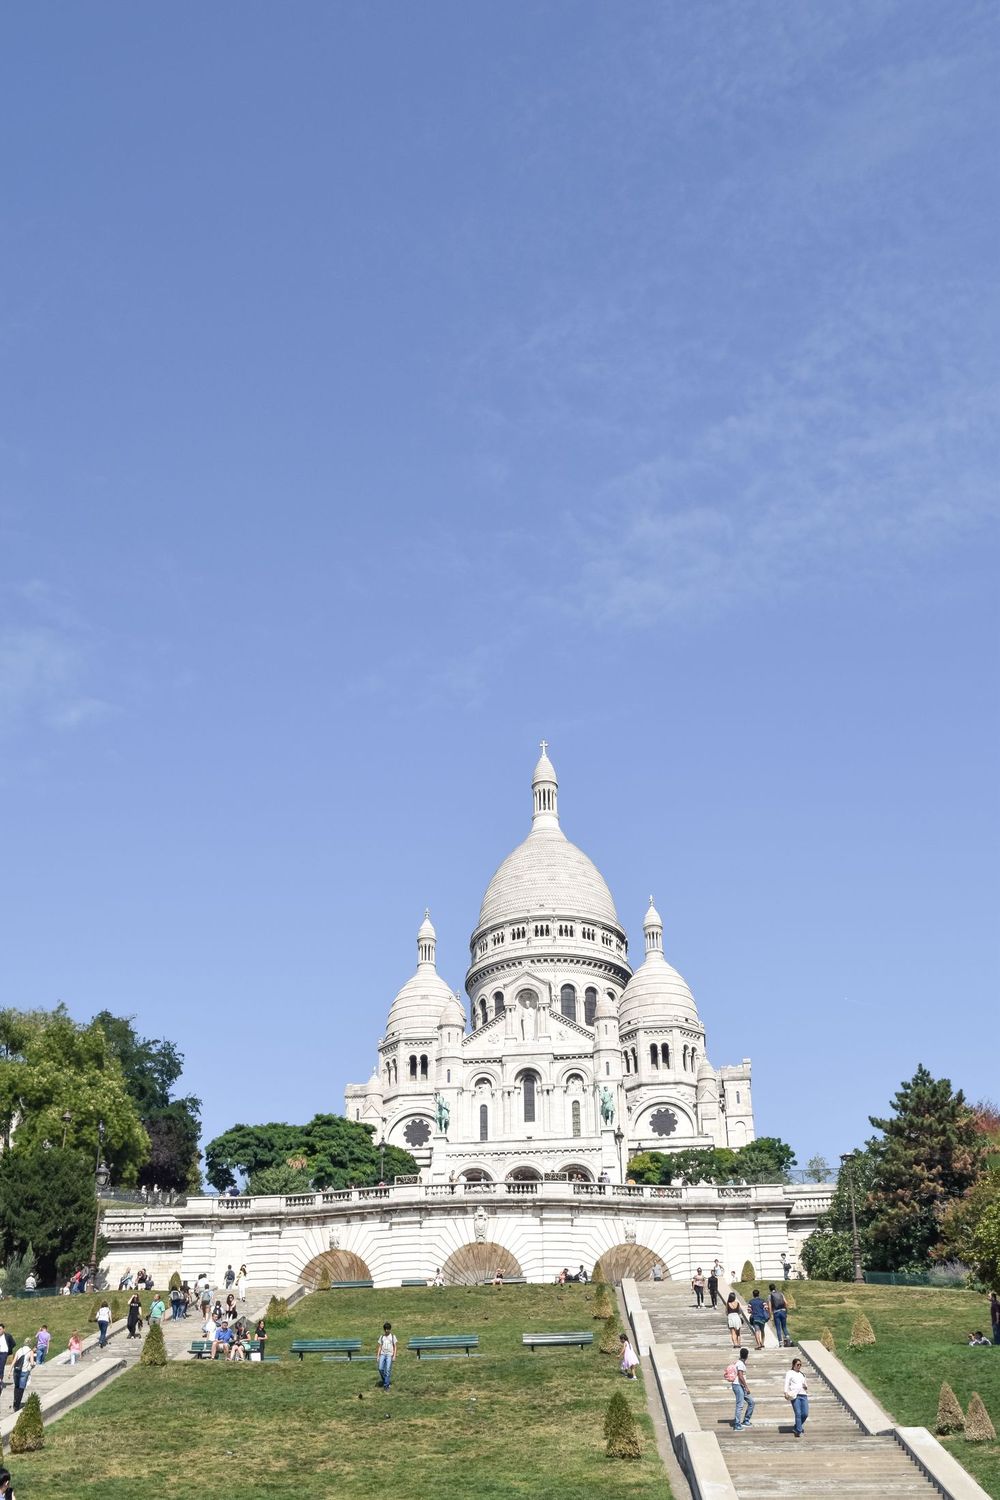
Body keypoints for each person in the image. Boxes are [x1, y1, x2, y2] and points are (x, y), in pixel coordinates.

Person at [728, 1346, 754, 1431]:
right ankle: (737, 1425)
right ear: (747, 1356)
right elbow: (740, 1376)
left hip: (740, 1386)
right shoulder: (740, 1364)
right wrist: (746, 1387)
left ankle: (746, 1420)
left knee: (751, 1402)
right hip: (738, 1385)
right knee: (740, 1405)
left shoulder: (739, 1363)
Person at [784, 1357, 809, 1437]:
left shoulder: (802, 1374)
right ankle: (799, 1431)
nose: (799, 1366)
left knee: (805, 1414)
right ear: (793, 1365)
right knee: (798, 1413)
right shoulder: (790, 1373)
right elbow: (786, 1382)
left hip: (803, 1395)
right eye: (798, 1364)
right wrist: (785, 1392)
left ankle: (796, 1427)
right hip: (795, 1395)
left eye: (800, 1365)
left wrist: (805, 1386)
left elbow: (806, 1386)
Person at [11, 1340, 33, 1411]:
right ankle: (17, 1405)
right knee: (21, 1388)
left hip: (16, 1371)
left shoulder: (19, 1350)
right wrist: (30, 1366)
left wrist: (9, 1371)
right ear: (30, 1344)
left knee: (16, 1387)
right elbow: (32, 1363)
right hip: (24, 1371)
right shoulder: (30, 1351)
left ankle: (15, 1401)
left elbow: (14, 1361)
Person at [376, 1321, 397, 1390]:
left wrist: (394, 1356)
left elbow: (395, 1347)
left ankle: (386, 1386)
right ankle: (385, 1380)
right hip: (382, 1354)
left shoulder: (393, 1336)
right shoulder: (382, 1337)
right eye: (385, 1329)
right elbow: (380, 1346)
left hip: (389, 1355)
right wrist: (378, 1356)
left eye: (387, 1329)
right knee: (380, 1368)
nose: (386, 1330)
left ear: (390, 1329)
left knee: (387, 1370)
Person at [0, 1324, 13, 1391]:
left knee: (1, 1367)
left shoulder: (8, 1336)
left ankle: (0, 1381)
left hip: (3, 1353)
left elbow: (13, 1343)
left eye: (0, 1329)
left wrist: (8, 1350)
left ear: (3, 1330)